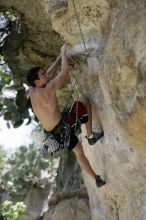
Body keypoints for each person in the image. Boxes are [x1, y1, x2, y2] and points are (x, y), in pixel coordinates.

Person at [26, 44, 106, 187]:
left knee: (79, 153)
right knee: (84, 100)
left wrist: (57, 59)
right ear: (37, 81)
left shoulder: (32, 91)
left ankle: (97, 179)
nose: (46, 75)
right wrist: (63, 54)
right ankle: (91, 135)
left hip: (53, 134)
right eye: (42, 75)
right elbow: (64, 72)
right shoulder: (47, 90)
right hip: (65, 126)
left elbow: (49, 74)